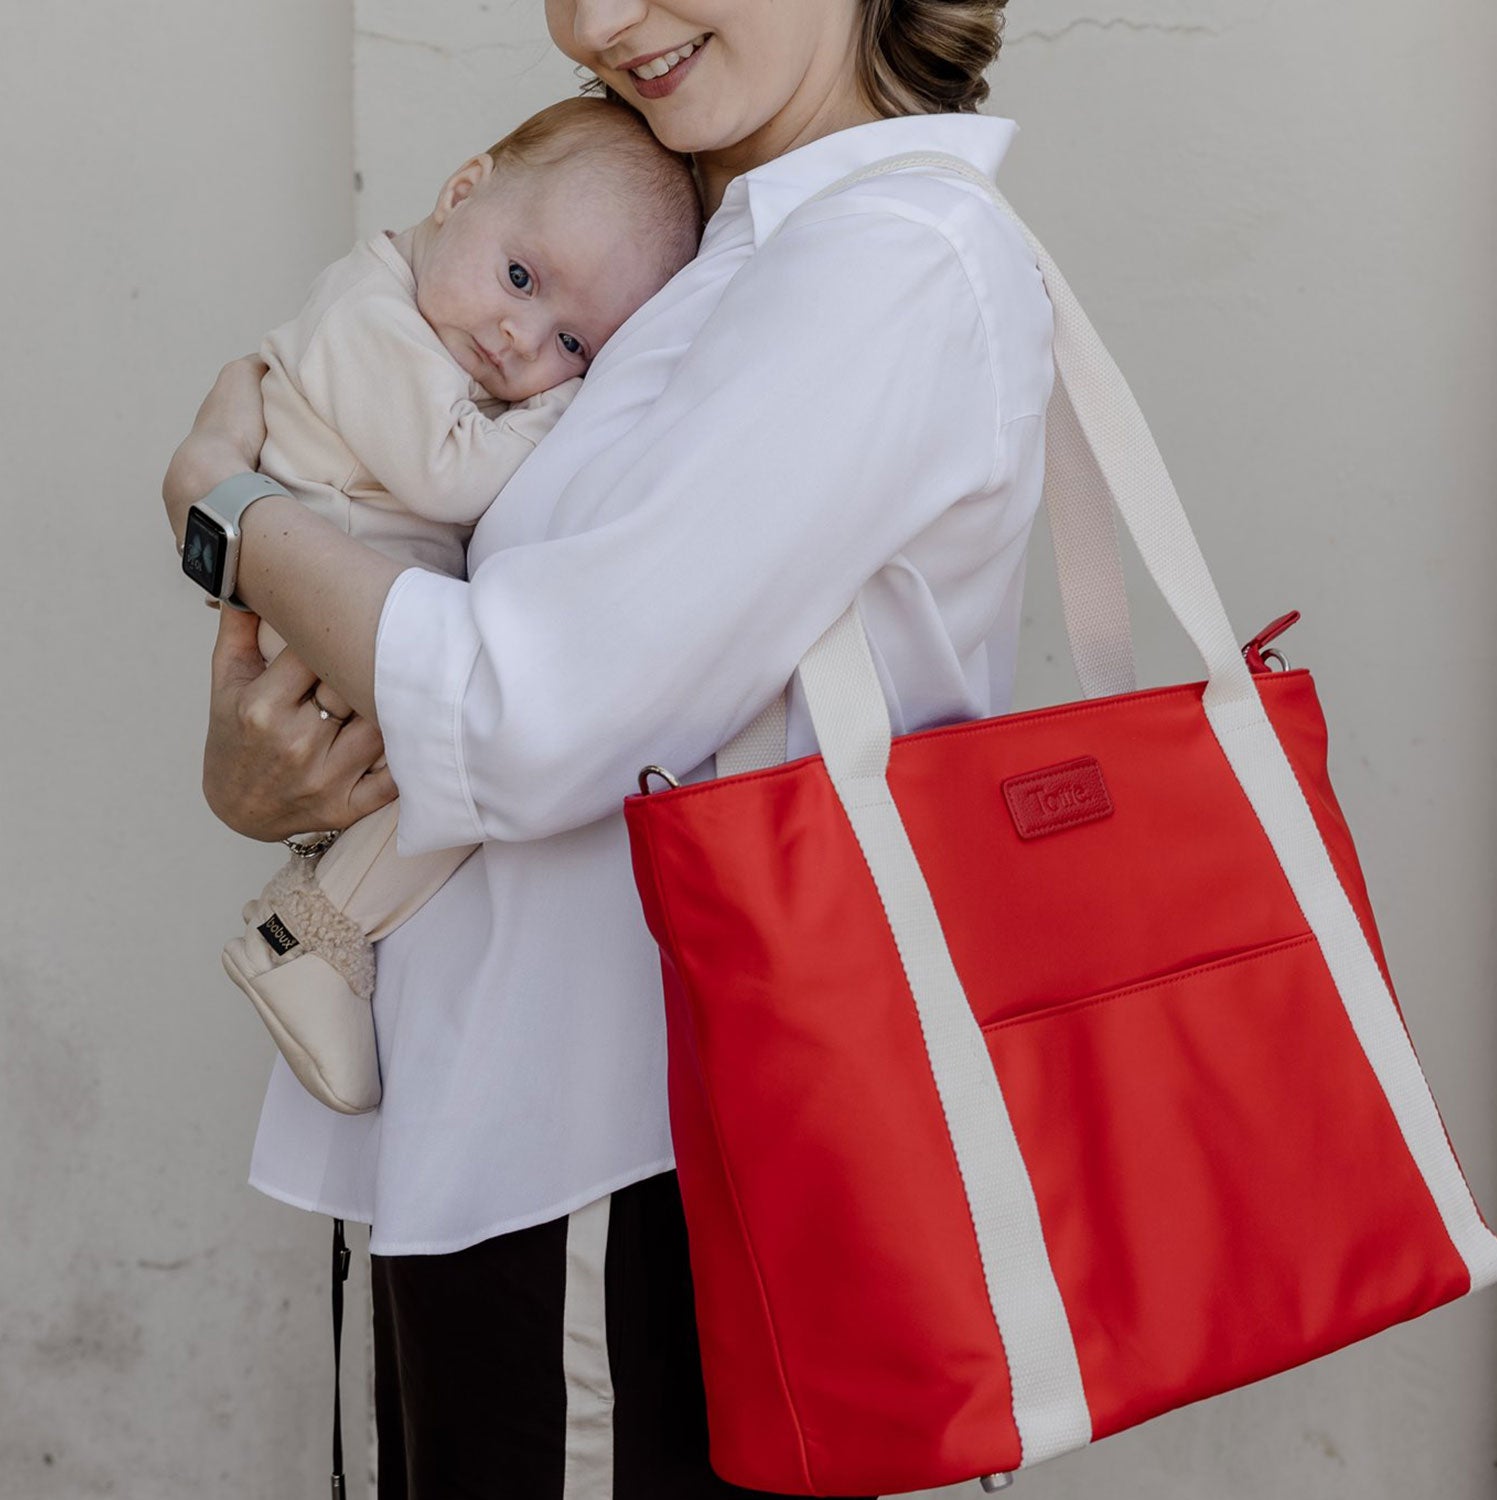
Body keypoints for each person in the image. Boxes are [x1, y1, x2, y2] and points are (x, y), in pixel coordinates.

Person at [161, 1, 1053, 1494]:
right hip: (492, 1125)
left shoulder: (889, 265)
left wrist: (225, 508)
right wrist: (259, 775)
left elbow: (519, 717)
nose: (596, 19)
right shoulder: (689, 245)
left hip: (620, 1154)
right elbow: (479, 646)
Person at [217, 96, 702, 1115]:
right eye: (520, 278)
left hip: (351, 597)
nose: (521, 337)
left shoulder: (429, 323)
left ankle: (311, 936)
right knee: (476, 763)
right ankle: (303, 937)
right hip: (327, 609)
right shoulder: (369, 314)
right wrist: (579, 400)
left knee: (464, 778)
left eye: (574, 342)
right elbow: (449, 477)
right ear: (461, 191)